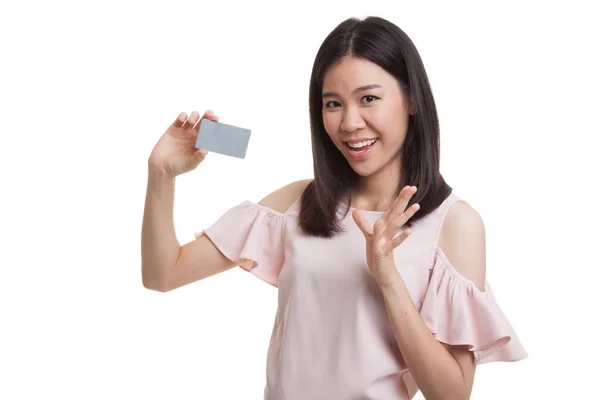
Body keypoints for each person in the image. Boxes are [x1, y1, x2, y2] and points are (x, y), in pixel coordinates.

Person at [141, 16, 527, 400]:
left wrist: (387, 277)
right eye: (333, 104)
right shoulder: (298, 203)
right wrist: (161, 174)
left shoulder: (454, 223)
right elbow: (164, 274)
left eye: (369, 99)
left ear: (411, 100)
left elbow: (452, 395)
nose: (350, 123)